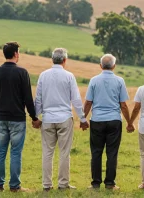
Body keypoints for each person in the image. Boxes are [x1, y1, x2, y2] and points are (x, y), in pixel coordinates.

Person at [0, 42, 41, 192]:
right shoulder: (22, 73)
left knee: (0, 152)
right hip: (17, 119)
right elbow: (27, 98)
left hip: (0, 118)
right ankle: (14, 186)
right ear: (16, 54)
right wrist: (34, 117)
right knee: (15, 153)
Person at [34, 48, 89, 191]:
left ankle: (47, 184)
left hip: (47, 118)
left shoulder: (43, 75)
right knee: (64, 152)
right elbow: (76, 99)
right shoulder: (69, 76)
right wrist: (83, 119)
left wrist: (36, 117)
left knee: (47, 152)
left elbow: (38, 99)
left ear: (52, 59)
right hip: (64, 118)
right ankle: (63, 184)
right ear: (65, 60)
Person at [84, 54, 133, 190]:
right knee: (112, 153)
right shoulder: (120, 81)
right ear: (114, 66)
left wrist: (83, 119)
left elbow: (88, 102)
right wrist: (129, 122)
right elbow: (123, 105)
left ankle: (95, 183)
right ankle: (110, 183)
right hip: (114, 121)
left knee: (96, 152)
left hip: (97, 120)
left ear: (100, 66)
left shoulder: (94, 80)